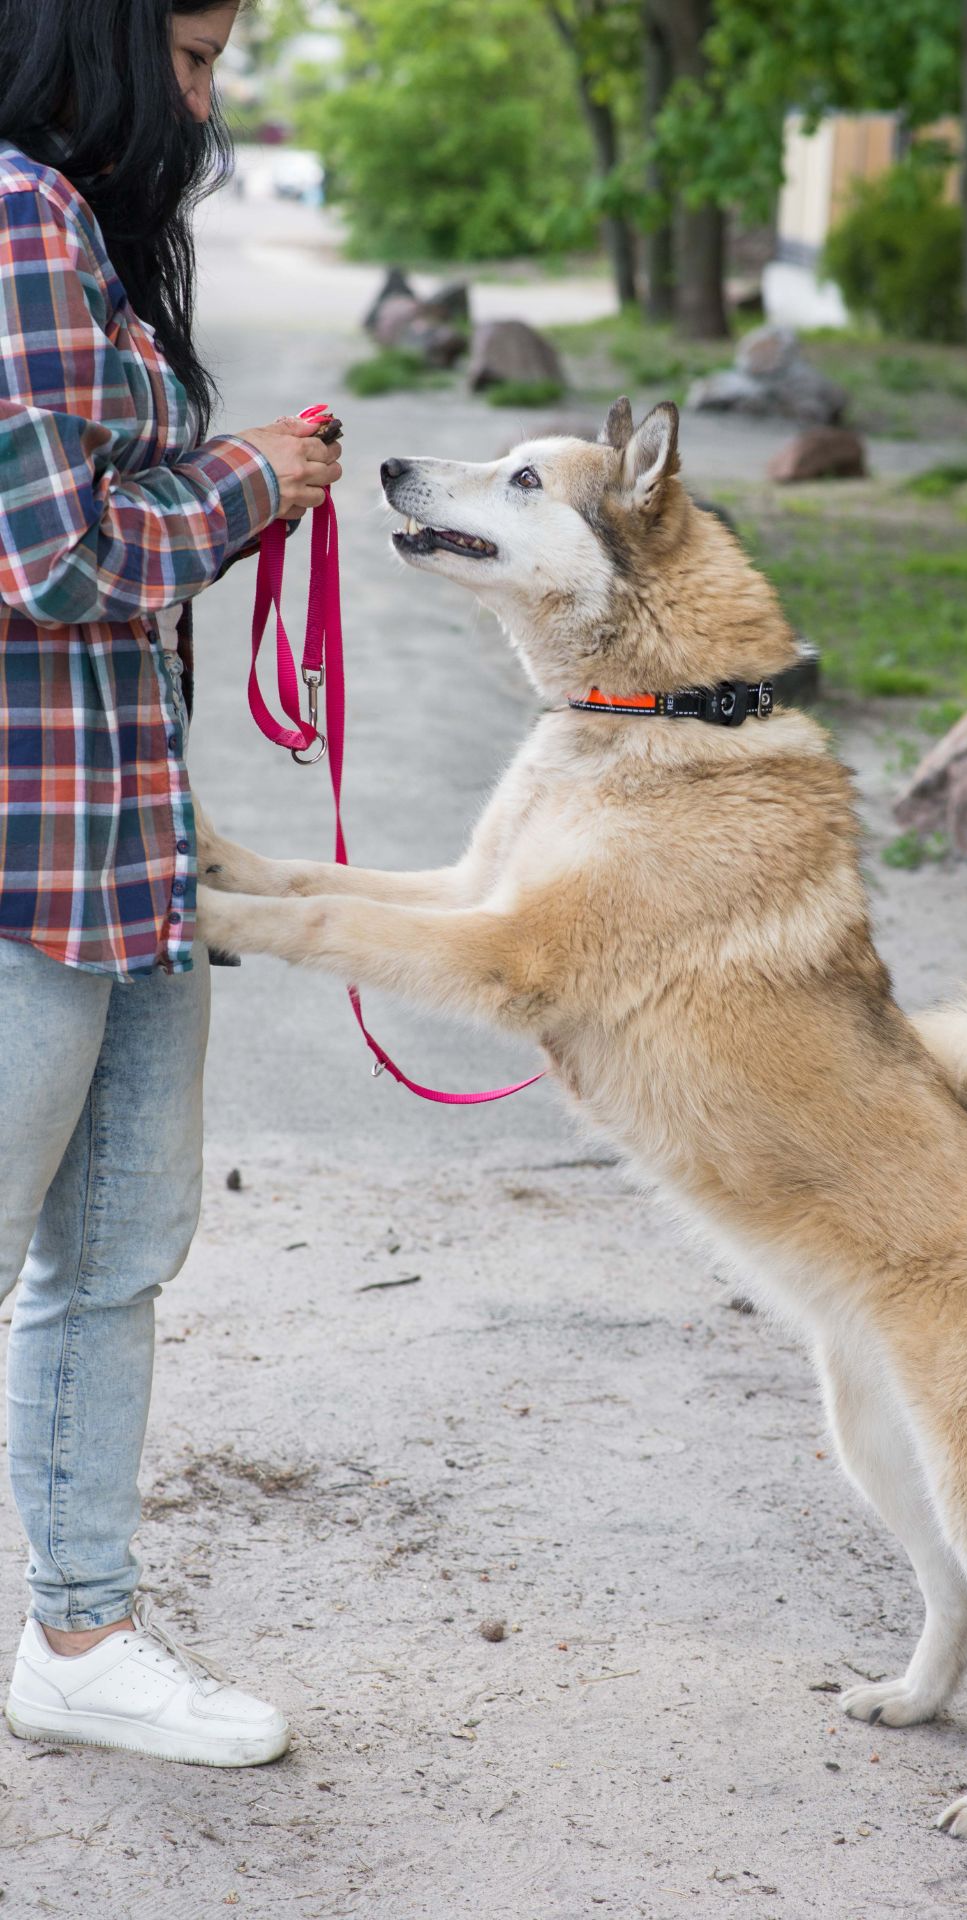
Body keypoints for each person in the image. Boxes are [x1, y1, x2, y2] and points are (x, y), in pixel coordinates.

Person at [0, 0, 342, 1766]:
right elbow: (48, 554)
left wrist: (235, 488)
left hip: (123, 839)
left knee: (118, 1252)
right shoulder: (14, 213)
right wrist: (247, 481)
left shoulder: (82, 218)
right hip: (22, 856)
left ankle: (83, 1633)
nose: (208, 104)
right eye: (193, 59)